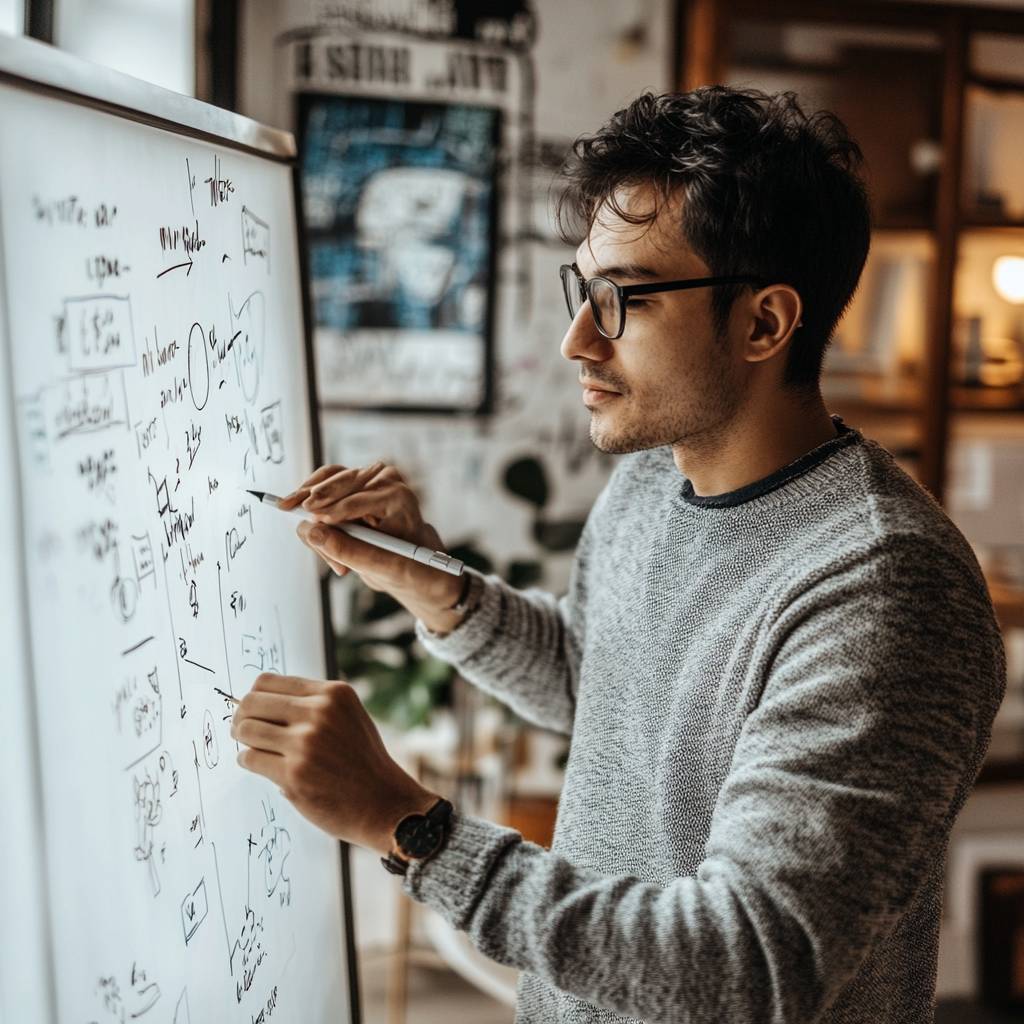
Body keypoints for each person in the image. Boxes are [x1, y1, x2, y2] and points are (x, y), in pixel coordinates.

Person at [231, 87, 1007, 1024]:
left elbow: (749, 961)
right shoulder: (652, 479)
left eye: (623, 300)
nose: (577, 340)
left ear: (764, 324)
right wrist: (432, 583)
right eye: (583, 291)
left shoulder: (883, 591)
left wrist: (411, 826)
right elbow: (600, 682)